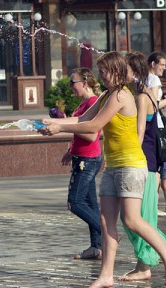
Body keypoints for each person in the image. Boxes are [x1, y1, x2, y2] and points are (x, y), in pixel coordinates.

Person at [41, 51, 166, 288]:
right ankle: (106, 276)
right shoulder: (106, 95)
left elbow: (94, 126)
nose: (100, 75)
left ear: (115, 71)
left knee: (132, 219)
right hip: (114, 166)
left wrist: (59, 128)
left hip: (131, 165)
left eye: (103, 71)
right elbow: (84, 117)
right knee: (106, 222)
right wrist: (50, 122)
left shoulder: (121, 95)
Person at [118, 51, 166, 282]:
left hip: (143, 164)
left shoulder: (142, 97)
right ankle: (165, 248)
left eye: (123, 69)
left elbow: (139, 133)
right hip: (147, 164)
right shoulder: (144, 95)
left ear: (133, 72)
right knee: (136, 217)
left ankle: (146, 266)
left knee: (137, 218)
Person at [48, 68, 103, 259]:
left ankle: (107, 233)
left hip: (88, 160)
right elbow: (78, 128)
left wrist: (61, 126)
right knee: (90, 203)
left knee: (75, 202)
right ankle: (97, 247)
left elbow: (92, 134)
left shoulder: (94, 103)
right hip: (82, 158)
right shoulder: (84, 103)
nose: (71, 86)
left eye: (73, 82)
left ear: (85, 82)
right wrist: (70, 150)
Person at [147, 51, 166, 216]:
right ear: (153, 64)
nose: (164, 68)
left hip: (149, 125)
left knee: (153, 168)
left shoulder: (144, 78)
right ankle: (152, 205)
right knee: (157, 168)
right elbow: (153, 104)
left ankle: (151, 204)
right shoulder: (154, 79)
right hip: (156, 127)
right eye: (162, 64)